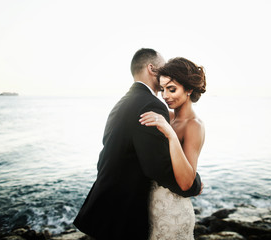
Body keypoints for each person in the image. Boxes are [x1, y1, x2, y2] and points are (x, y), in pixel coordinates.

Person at [73, 48, 202, 240]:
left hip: (108, 206)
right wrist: (195, 185)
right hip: (124, 211)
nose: (165, 94)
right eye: (163, 67)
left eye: (172, 88)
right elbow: (157, 167)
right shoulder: (151, 105)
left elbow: (106, 157)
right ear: (152, 68)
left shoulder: (123, 102)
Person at [139, 57, 206, 239]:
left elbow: (186, 183)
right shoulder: (165, 116)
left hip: (173, 214)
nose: (165, 96)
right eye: (162, 90)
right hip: (151, 207)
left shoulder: (194, 125)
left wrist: (170, 134)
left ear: (189, 89)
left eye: (172, 89)